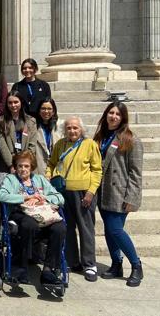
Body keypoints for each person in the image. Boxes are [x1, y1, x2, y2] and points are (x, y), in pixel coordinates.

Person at [93, 102, 144, 287]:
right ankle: (116, 264)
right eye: (110, 113)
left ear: (123, 118)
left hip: (120, 194)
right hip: (102, 192)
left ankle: (136, 265)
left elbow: (136, 172)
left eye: (117, 114)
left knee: (116, 230)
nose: (113, 116)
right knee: (109, 231)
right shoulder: (100, 136)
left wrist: (132, 197)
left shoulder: (131, 139)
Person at [0, 151, 66, 285]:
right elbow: (1, 195)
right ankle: (21, 267)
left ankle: (48, 270)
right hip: (20, 213)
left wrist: (43, 198)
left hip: (42, 214)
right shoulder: (11, 179)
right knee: (29, 225)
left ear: (31, 167)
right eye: (20, 166)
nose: (23, 169)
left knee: (60, 227)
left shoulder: (39, 179)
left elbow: (60, 198)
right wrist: (25, 197)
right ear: (15, 167)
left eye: (26, 166)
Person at [47, 116, 102, 282]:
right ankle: (73, 260)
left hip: (84, 193)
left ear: (81, 130)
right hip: (64, 192)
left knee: (86, 228)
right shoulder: (60, 144)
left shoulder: (90, 144)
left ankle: (89, 264)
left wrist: (91, 192)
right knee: (68, 228)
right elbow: (51, 163)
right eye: (69, 128)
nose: (72, 131)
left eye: (75, 128)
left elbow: (97, 170)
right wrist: (49, 178)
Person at [0, 91, 37, 173]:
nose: (13, 105)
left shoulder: (31, 121)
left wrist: (23, 164)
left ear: (21, 102)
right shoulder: (0, 121)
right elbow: (2, 146)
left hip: (26, 166)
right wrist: (12, 165)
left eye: (16, 102)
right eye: (10, 103)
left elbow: (32, 145)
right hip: (8, 166)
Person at [35, 98, 61, 175]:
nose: (46, 111)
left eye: (49, 109)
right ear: (39, 110)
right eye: (43, 108)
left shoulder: (60, 126)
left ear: (53, 111)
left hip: (56, 166)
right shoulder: (33, 126)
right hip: (39, 166)